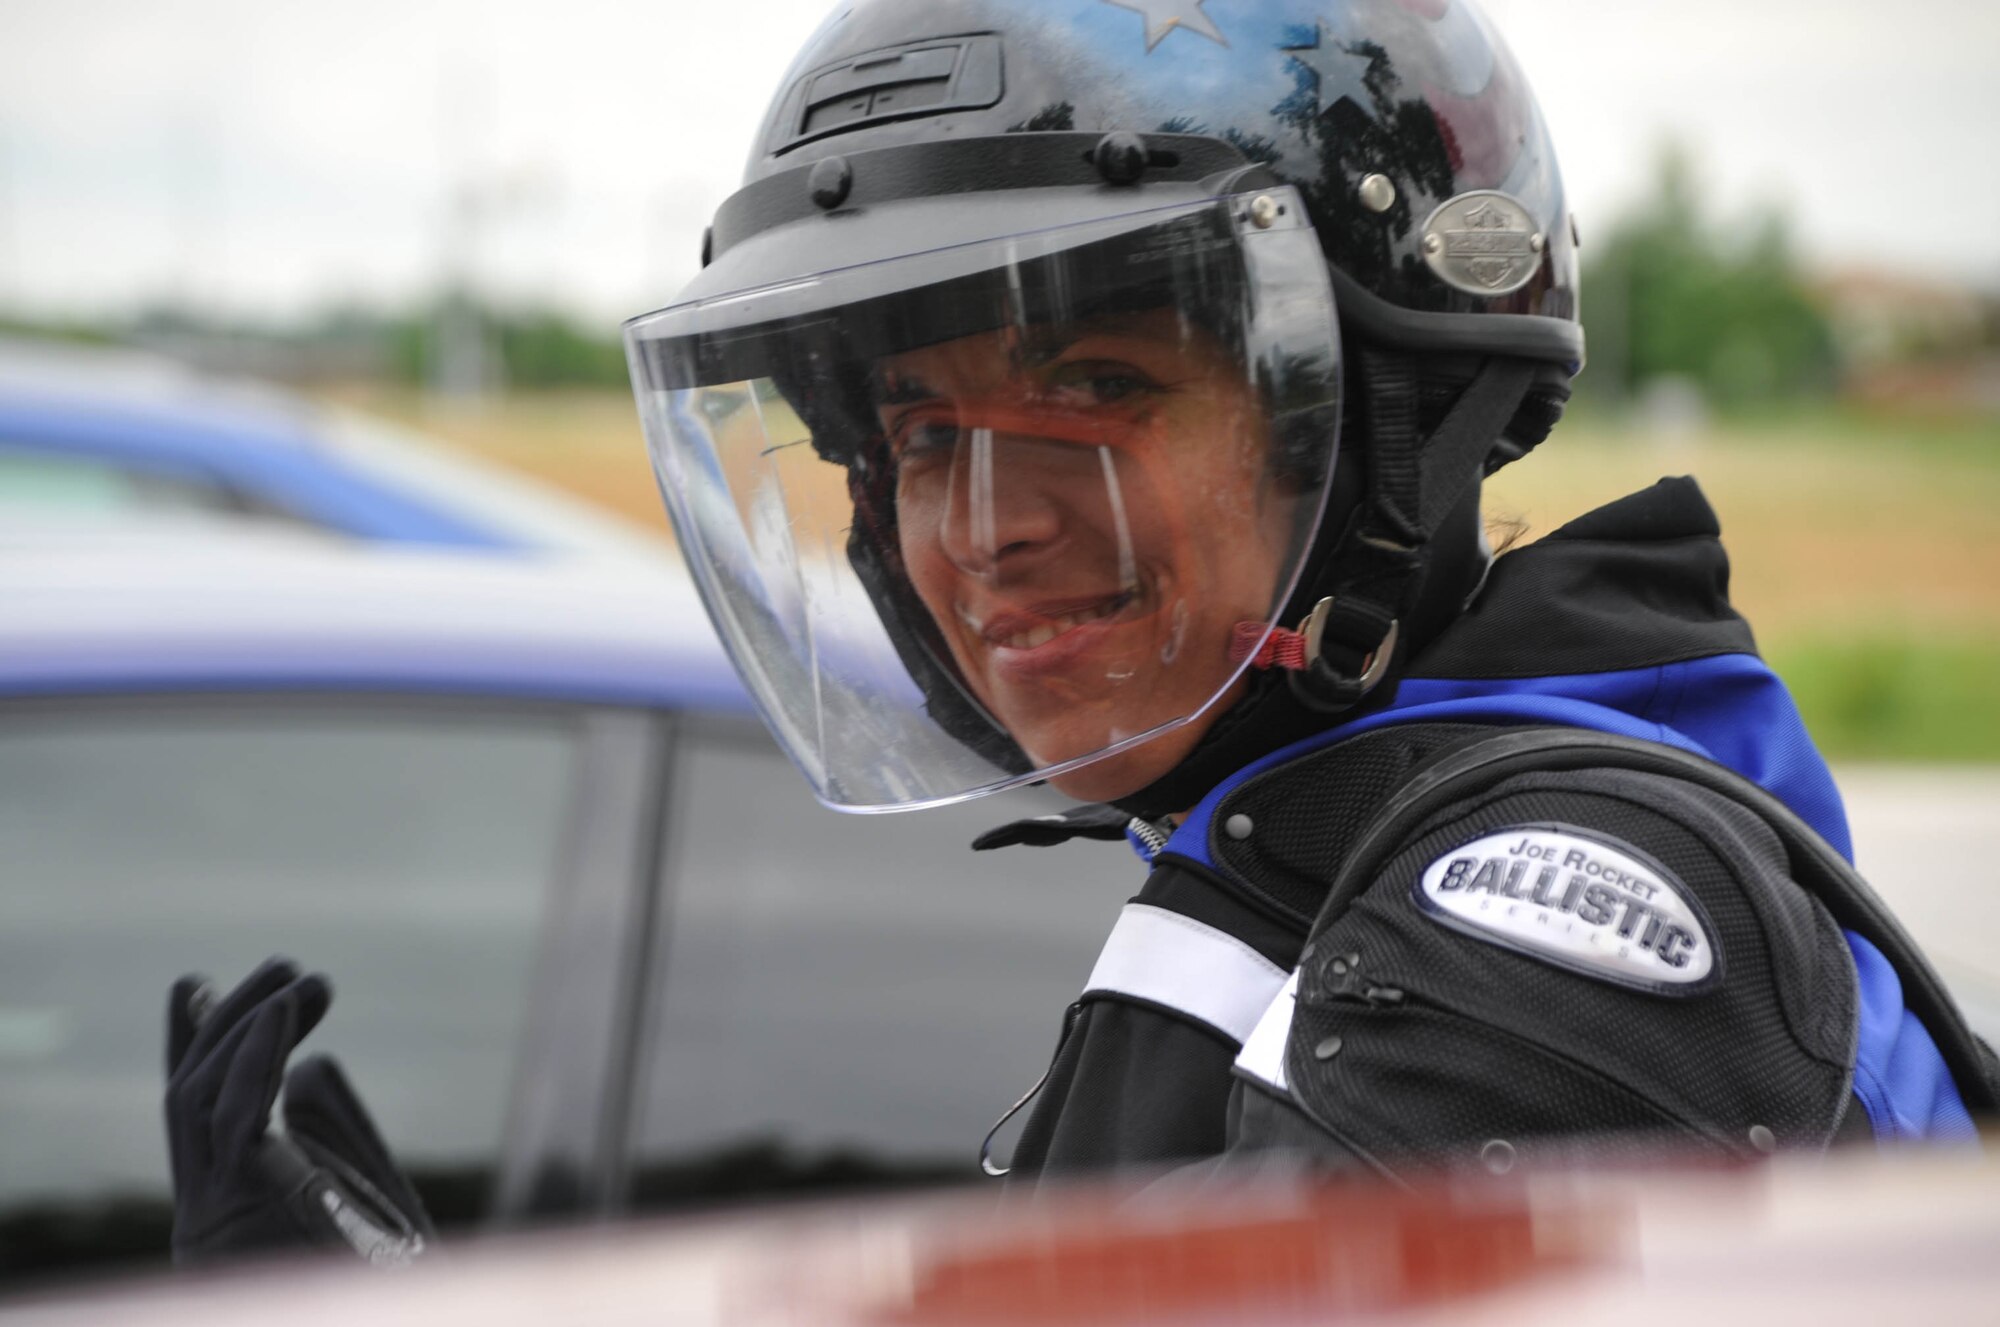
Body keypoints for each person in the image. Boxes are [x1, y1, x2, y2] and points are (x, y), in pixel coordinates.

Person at [166, 0, 1994, 1262]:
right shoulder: (1311, 849)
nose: (984, 530)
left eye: (1098, 385)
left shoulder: (1554, 928)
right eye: (915, 435)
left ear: (1392, 418)